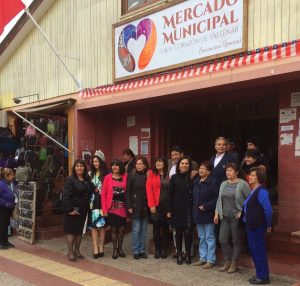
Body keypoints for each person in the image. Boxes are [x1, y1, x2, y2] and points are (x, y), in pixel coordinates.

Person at [214, 162, 251, 273]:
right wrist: (216, 213)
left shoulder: (243, 184)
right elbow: (219, 200)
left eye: (230, 171)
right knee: (223, 239)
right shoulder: (223, 183)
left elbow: (249, 200)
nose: (228, 173)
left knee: (236, 240)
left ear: (236, 172)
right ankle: (227, 261)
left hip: (236, 217)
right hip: (224, 217)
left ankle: (234, 263)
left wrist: (242, 212)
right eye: (227, 171)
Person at [242, 167, 272, 285]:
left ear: (259, 177)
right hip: (250, 225)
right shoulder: (253, 190)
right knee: (254, 250)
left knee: (258, 251)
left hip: (257, 226)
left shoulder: (262, 191)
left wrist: (268, 224)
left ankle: (263, 277)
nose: (250, 177)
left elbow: (268, 210)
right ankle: (259, 274)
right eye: (250, 175)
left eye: (253, 175)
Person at [167, 156, 193, 265]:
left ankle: (187, 254)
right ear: (179, 165)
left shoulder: (192, 179)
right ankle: (178, 254)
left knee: (187, 232)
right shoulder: (174, 178)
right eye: (182, 163)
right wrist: (169, 210)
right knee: (178, 233)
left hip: (188, 210)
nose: (184, 165)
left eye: (186, 163)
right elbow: (170, 195)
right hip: (176, 209)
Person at [192, 161, 219, 269]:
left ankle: (210, 259)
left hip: (208, 214)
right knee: (201, 237)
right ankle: (202, 258)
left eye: (203, 169)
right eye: (200, 168)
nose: (201, 170)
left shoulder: (213, 182)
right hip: (198, 214)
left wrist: (207, 206)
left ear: (209, 171)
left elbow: (217, 198)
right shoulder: (196, 181)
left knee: (209, 237)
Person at [63, 159, 90, 261]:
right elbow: (66, 195)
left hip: (83, 209)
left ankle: (77, 251)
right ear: (74, 168)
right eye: (77, 166)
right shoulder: (70, 179)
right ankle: (70, 252)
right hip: (72, 209)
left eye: (82, 166)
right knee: (71, 231)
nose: (80, 168)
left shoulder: (86, 178)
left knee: (79, 231)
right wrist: (70, 209)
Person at [101, 159, 127, 259]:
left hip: (123, 208)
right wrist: (104, 209)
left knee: (121, 230)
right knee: (113, 230)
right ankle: (115, 249)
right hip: (111, 208)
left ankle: (120, 248)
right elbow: (103, 194)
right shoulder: (107, 178)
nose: (114, 167)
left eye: (116, 165)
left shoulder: (125, 177)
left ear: (120, 166)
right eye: (113, 165)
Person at [146, 157, 169, 259]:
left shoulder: (169, 175)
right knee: (156, 229)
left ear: (164, 163)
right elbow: (149, 190)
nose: (158, 163)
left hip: (166, 206)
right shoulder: (151, 174)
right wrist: (151, 205)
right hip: (156, 205)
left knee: (165, 229)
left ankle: (164, 249)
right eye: (156, 162)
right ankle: (157, 249)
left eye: (160, 161)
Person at [126, 156, 149, 259]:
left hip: (145, 206)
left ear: (145, 165)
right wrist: (129, 206)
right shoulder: (132, 176)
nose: (138, 166)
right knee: (136, 229)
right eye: (137, 164)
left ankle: (142, 250)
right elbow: (127, 192)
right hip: (135, 206)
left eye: (141, 164)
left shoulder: (148, 175)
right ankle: (136, 250)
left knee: (144, 230)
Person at [88, 151, 108, 258]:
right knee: (94, 226)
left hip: (103, 202)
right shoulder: (90, 174)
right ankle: (95, 247)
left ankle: (101, 246)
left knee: (102, 226)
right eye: (94, 161)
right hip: (93, 203)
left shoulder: (106, 175)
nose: (95, 163)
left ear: (101, 161)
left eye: (97, 161)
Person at [0, 168, 16, 249]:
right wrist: (5, 204)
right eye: (11, 175)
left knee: (6, 225)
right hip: (3, 208)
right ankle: (2, 243)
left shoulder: (10, 183)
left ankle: (5, 241)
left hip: (9, 208)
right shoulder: (1, 184)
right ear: (6, 176)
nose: (13, 176)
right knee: (2, 225)